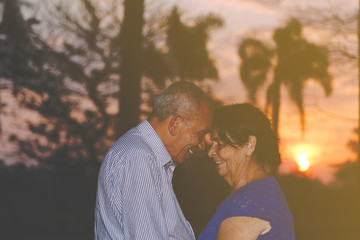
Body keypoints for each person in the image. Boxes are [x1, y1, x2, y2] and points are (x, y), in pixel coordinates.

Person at [94, 81, 213, 239]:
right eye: (200, 134)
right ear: (175, 124)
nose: (202, 145)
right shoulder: (139, 157)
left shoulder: (147, 156)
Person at [198, 103, 295, 240]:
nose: (211, 152)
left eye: (220, 144)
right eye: (212, 143)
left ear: (250, 144)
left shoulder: (249, 204)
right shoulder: (260, 194)